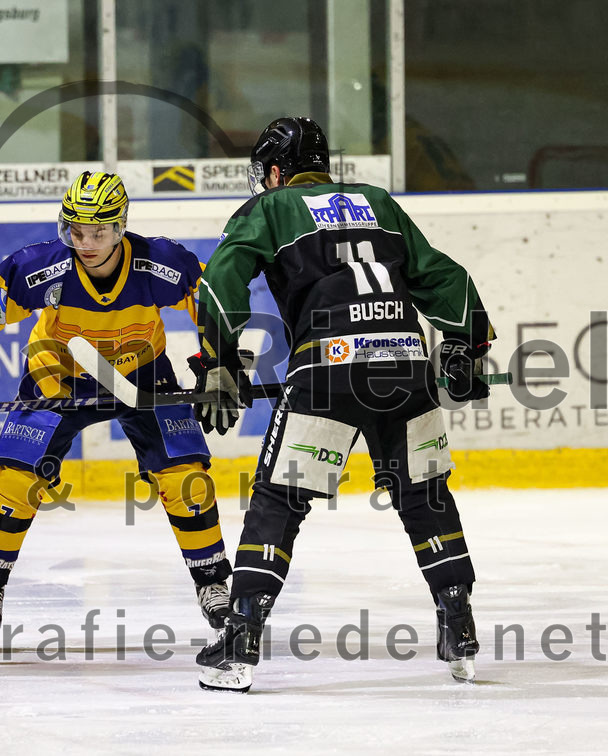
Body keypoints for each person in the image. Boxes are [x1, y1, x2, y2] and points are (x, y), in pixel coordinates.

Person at [190, 117, 495, 691]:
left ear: (277, 171)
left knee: (280, 498)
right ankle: (459, 626)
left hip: (328, 367)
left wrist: (219, 361)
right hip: (405, 361)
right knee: (423, 492)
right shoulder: (379, 202)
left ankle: (239, 641)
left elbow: (220, 283)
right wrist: (466, 348)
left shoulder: (271, 209)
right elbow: (443, 278)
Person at [0, 170, 233, 648]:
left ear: (121, 227)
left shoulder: (161, 262)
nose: (87, 242)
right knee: (15, 477)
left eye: (99, 232)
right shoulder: (38, 268)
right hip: (58, 372)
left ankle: (214, 584)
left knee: (186, 476)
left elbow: (214, 302)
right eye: (77, 231)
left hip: (143, 370)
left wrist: (219, 364)